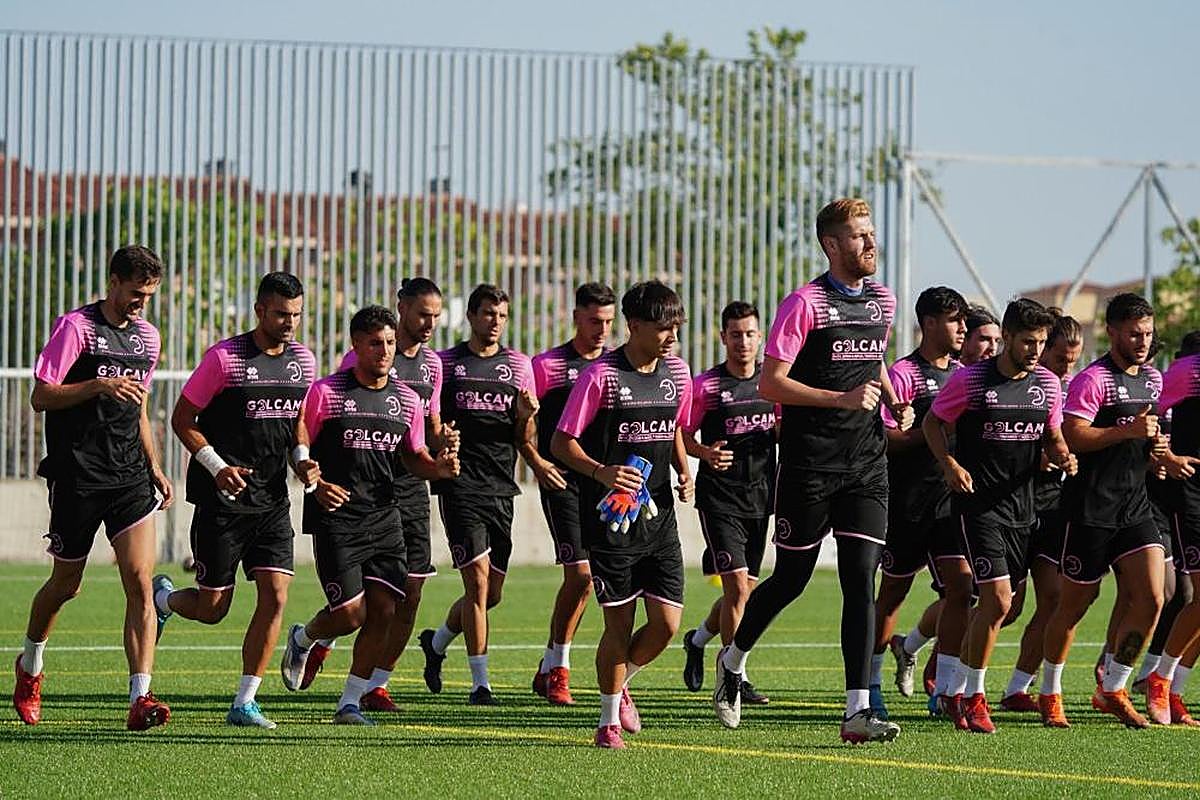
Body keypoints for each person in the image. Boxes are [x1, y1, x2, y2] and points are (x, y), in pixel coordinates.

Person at [712, 198, 910, 744]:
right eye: (858, 236)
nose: (871, 244)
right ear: (831, 245)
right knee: (791, 580)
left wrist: (893, 395)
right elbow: (771, 383)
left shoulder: (883, 300)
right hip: (809, 467)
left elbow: (874, 362)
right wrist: (839, 399)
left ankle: (856, 710)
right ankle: (732, 661)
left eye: (872, 233)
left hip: (867, 465)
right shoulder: (805, 303)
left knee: (860, 581)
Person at [13, 245, 174, 730]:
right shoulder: (76, 328)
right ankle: (30, 666)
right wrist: (98, 386)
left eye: (148, 296)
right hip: (78, 474)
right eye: (133, 293)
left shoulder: (148, 338)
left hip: (128, 476)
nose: (140, 304)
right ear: (112, 281)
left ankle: (140, 698)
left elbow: (140, 408)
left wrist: (156, 467)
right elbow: (41, 395)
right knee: (67, 585)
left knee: (141, 582)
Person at [278, 305, 459, 725]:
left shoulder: (407, 400)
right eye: (375, 342)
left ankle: (350, 703)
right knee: (350, 614)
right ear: (356, 345)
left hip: (385, 516)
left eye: (390, 343)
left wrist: (440, 468)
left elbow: (413, 457)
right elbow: (299, 434)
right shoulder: (328, 391)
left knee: (385, 610)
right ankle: (305, 637)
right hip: (336, 515)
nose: (384, 350)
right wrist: (308, 471)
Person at [154, 272, 316, 729]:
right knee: (213, 609)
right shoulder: (225, 358)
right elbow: (183, 419)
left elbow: (298, 420)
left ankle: (244, 702)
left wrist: (302, 459)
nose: (290, 323)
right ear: (260, 311)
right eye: (281, 314)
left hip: (271, 503)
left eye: (297, 315)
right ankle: (164, 600)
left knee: (276, 596)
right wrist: (217, 466)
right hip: (221, 503)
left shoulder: (303, 362)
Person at [551, 280, 693, 749]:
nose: (672, 334)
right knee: (620, 623)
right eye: (662, 326)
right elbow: (561, 442)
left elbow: (671, 424)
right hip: (610, 520)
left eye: (676, 325)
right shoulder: (602, 377)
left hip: (660, 517)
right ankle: (607, 722)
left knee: (668, 624)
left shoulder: (678, 373)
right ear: (634, 326)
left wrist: (684, 467)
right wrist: (602, 471)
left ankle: (621, 680)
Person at [923, 298, 1075, 734]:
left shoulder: (1047, 384)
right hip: (978, 508)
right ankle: (974, 697)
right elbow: (934, 423)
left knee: (1004, 609)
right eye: (1028, 341)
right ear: (1006, 337)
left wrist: (1062, 455)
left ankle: (952, 689)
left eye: (1041, 342)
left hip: (1023, 511)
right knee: (998, 601)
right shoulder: (972, 382)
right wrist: (950, 465)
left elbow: (1052, 434)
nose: (1035, 350)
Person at [1040, 293, 1166, 729]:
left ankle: (1113, 687)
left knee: (1152, 598)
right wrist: (1124, 430)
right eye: (1134, 333)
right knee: (1075, 606)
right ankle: (1050, 690)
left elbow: (1146, 440)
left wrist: (1159, 453)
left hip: (1134, 507)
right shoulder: (1093, 380)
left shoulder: (1152, 380)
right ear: (1112, 331)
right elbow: (1074, 436)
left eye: (1148, 333)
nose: (1143, 341)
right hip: (1091, 509)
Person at [418, 284, 537, 705]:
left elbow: (526, 437)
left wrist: (525, 418)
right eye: (488, 314)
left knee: (491, 594)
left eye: (502, 316)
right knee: (478, 584)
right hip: (459, 485)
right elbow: (429, 419)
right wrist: (438, 445)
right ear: (470, 316)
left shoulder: (520, 367)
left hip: (502, 486)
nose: (495, 322)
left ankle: (436, 644)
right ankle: (480, 683)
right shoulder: (446, 364)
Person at [870, 286, 970, 720]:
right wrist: (929, 437)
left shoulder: (966, 375)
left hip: (950, 505)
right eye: (954, 320)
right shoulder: (904, 374)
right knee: (891, 595)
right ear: (929, 324)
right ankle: (869, 685)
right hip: (905, 505)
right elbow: (883, 440)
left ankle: (945, 690)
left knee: (962, 589)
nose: (962, 328)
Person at [680, 301, 778, 705]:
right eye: (735, 334)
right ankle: (736, 675)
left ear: (760, 337)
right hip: (719, 499)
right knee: (737, 588)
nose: (743, 341)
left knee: (744, 594)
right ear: (723, 337)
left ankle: (698, 639)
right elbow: (681, 434)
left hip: (761, 496)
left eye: (750, 333)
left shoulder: (773, 386)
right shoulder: (706, 386)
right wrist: (703, 454)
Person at [528, 282, 616, 706]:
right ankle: (560, 669)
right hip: (562, 481)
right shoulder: (546, 366)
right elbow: (523, 423)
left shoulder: (617, 368)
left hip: (604, 485)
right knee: (579, 575)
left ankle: (548, 665)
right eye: (594, 321)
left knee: (590, 582)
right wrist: (536, 461)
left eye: (608, 322)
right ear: (575, 318)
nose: (602, 330)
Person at [999, 310, 1083, 712]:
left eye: (1073, 360)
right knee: (1005, 606)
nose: (1067, 368)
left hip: (1050, 505)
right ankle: (947, 677)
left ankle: (1018, 688)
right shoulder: (1013, 383)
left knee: (1052, 596)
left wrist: (1064, 456)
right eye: (1061, 359)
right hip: (1008, 504)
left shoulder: (1060, 388)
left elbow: (1062, 438)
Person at [1142, 330, 1200, 725]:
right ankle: (1159, 679)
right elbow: (1148, 416)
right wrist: (1168, 455)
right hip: (1193, 492)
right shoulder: (1187, 371)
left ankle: (1174, 689)